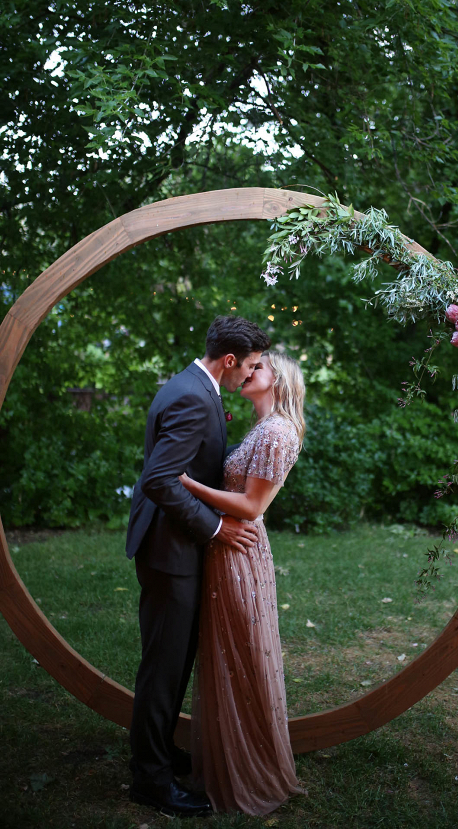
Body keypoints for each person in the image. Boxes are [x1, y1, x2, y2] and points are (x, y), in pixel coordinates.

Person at [126, 315, 271, 818]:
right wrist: (217, 529)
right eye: (248, 366)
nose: (249, 375)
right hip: (170, 552)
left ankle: (159, 753)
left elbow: (195, 464)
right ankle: (150, 781)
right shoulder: (191, 395)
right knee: (163, 671)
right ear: (228, 360)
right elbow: (160, 480)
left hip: (173, 550)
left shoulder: (192, 386)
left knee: (172, 662)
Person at [178, 351, 305, 815]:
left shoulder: (277, 431)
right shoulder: (261, 428)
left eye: (260, 369)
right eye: (249, 367)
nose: (249, 372)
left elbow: (251, 507)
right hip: (227, 546)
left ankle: (250, 770)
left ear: (281, 382)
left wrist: (186, 484)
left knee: (241, 654)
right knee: (228, 653)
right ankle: (227, 762)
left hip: (239, 550)